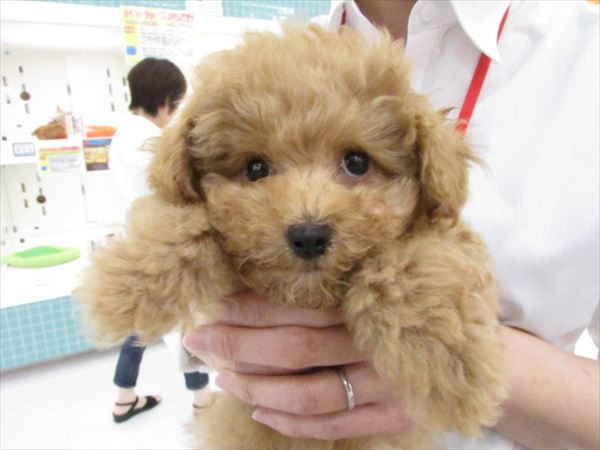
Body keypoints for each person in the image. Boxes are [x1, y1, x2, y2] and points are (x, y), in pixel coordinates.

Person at [180, 1, 599, 449]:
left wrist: (464, 355)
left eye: (356, 163)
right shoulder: (261, 63)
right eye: (259, 170)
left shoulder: (583, 57)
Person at [109, 57, 213, 423]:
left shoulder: (121, 136)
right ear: (166, 99)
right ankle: (202, 401)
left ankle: (124, 397)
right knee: (185, 323)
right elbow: (175, 193)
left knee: (142, 325)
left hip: (137, 240)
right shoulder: (151, 141)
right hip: (163, 245)